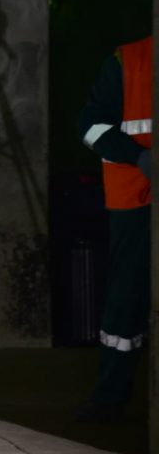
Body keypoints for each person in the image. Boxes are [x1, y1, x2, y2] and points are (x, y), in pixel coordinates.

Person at [76, 35, 153, 422]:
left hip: (136, 197)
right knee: (127, 299)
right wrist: (138, 156)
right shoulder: (128, 60)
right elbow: (90, 126)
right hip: (136, 199)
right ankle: (109, 398)